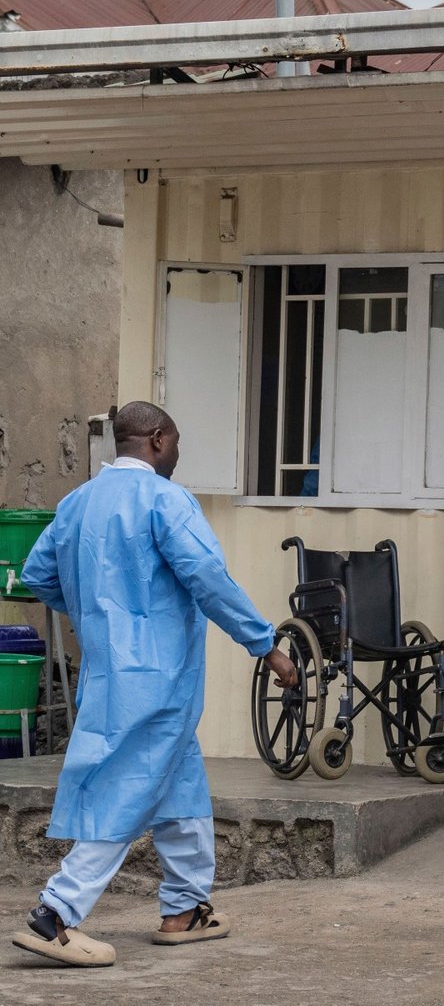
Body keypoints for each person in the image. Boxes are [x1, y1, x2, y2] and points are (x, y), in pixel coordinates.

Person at [11, 402, 298, 969]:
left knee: (179, 784)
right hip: (158, 676)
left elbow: (38, 574)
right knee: (128, 788)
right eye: (179, 442)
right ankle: (56, 913)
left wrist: (100, 613)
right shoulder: (167, 501)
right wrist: (266, 646)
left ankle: (185, 909)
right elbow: (208, 579)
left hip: (108, 670)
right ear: (160, 439)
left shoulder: (76, 504)